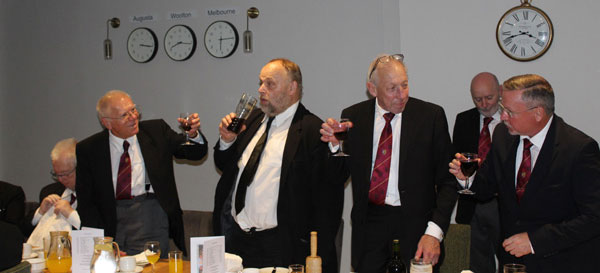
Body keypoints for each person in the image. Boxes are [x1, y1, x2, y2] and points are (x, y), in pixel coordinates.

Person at [449, 74, 600, 273]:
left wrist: (534, 241)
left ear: (538, 113)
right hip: (512, 262)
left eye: (509, 112)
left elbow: (594, 217)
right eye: (503, 109)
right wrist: (468, 178)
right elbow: (486, 187)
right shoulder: (503, 136)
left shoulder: (578, 149)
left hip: (559, 261)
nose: (502, 117)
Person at [320, 54, 457, 272]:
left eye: (404, 85)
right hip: (369, 228)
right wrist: (335, 147)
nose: (401, 95)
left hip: (417, 228)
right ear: (372, 89)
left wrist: (434, 233)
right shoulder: (354, 116)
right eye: (392, 88)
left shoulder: (430, 117)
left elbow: (449, 182)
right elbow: (338, 177)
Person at [213, 58, 342, 271]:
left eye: (270, 84)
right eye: (260, 83)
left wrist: (336, 149)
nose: (261, 89)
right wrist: (227, 141)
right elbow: (225, 168)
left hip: (278, 246)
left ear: (292, 88)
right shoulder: (253, 120)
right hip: (237, 240)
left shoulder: (311, 129)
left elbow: (332, 183)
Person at [77, 90, 208, 256]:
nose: (133, 117)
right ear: (107, 123)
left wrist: (193, 134)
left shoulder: (156, 132)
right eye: (125, 115)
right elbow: (87, 202)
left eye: (133, 110)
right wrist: (100, 243)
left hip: (150, 217)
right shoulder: (89, 149)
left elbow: (195, 153)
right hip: (111, 223)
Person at [452, 72, 501, 273]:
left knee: (510, 261)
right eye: (477, 99)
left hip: (503, 204)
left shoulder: (512, 120)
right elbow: (455, 159)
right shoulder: (464, 120)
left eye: (489, 97)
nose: (484, 104)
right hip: (472, 204)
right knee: (477, 264)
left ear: (500, 92)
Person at [31, 138, 80, 230]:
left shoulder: (95, 195)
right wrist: (40, 212)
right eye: (57, 174)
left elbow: (99, 233)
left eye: (66, 174)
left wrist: (71, 215)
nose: (61, 179)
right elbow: (25, 231)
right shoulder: (49, 191)